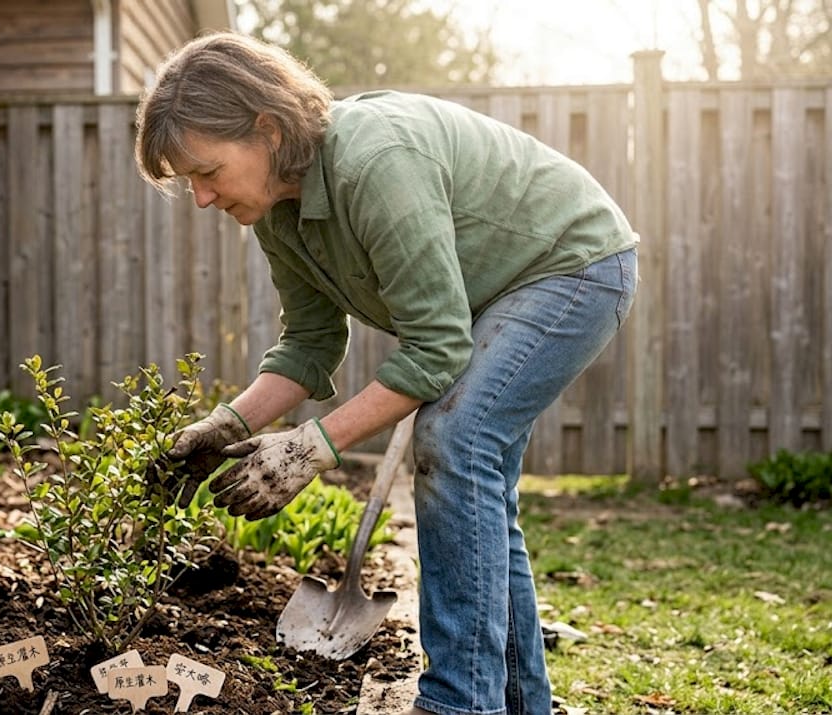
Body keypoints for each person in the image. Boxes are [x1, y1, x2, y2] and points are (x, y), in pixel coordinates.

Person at [134, 31, 637, 715]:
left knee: (455, 440)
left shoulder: (375, 162)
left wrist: (311, 447)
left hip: (571, 264)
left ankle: (459, 702)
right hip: (496, 291)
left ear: (267, 130)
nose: (200, 198)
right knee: (477, 483)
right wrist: (225, 425)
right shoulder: (278, 215)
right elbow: (309, 344)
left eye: (207, 171)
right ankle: (519, 704)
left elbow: (434, 348)